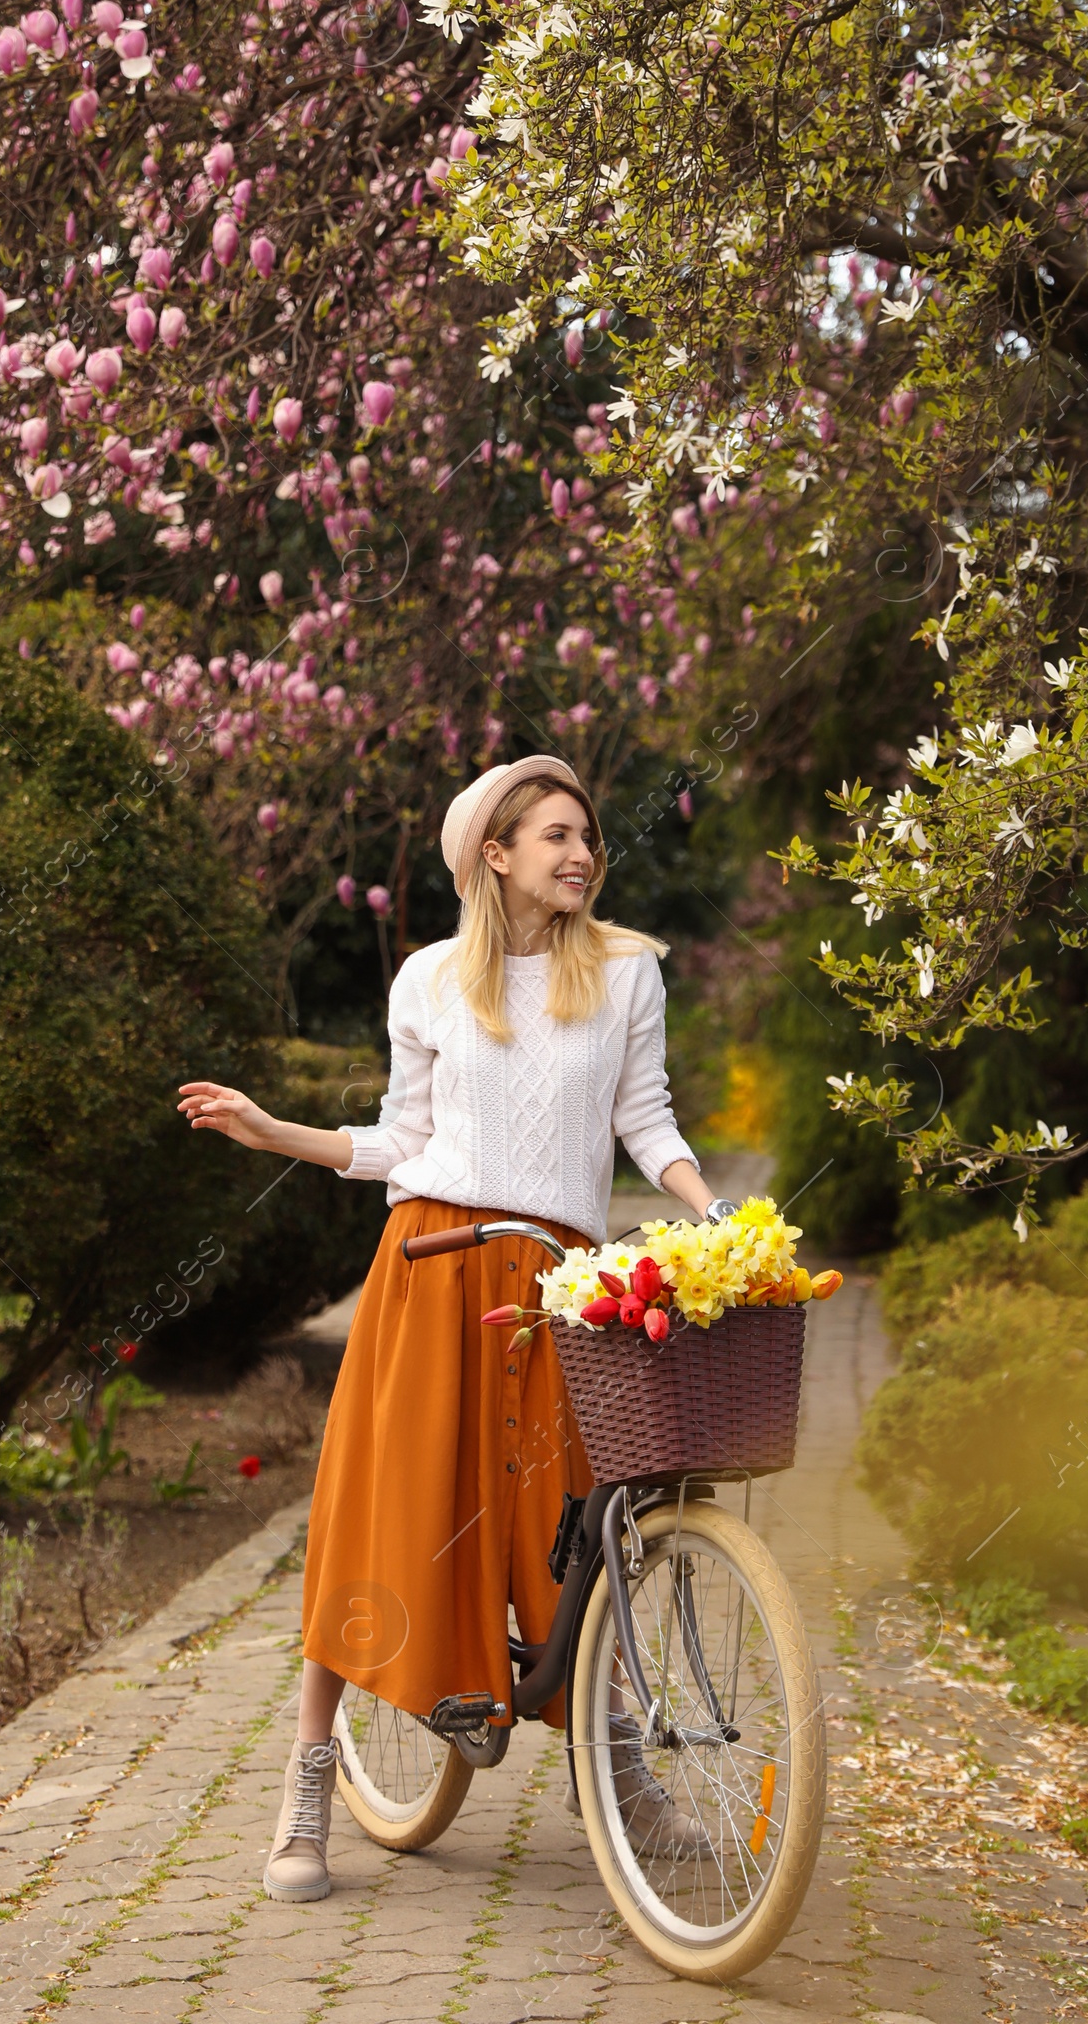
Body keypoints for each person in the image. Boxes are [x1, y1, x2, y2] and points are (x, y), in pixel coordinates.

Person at [178, 755, 724, 1900]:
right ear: (496, 853)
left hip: (559, 1285)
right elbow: (400, 1138)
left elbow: (645, 1119)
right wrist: (277, 1134)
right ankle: (309, 1781)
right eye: (557, 837)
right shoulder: (428, 980)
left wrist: (717, 1213)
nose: (581, 854)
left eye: (586, 837)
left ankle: (618, 1768)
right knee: (381, 1512)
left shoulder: (625, 974)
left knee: (576, 1531)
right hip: (430, 1265)